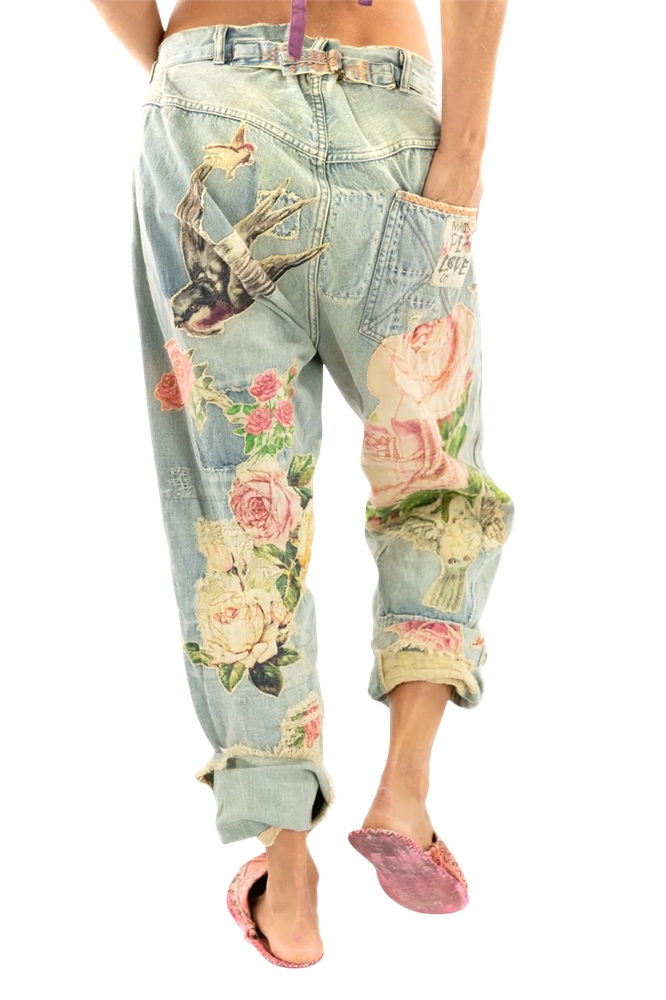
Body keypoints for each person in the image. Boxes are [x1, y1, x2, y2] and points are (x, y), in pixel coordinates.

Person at [91, 0, 512, 968]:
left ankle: (287, 866)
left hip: (211, 108)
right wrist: (464, 155)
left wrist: (181, 70)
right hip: (389, 115)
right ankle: (405, 785)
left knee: (237, 501)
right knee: (433, 471)